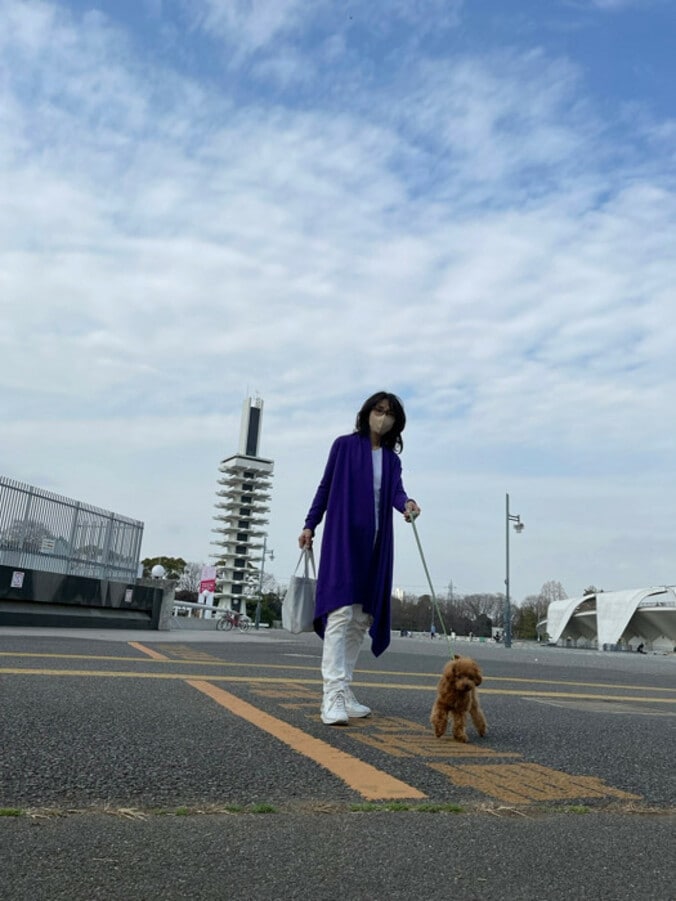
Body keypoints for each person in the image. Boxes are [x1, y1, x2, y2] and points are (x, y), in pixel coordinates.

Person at [298, 391, 421, 726]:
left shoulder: (392, 460)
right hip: (344, 538)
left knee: (360, 619)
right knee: (340, 613)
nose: (383, 417)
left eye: (389, 413)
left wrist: (407, 504)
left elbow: (395, 491)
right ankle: (331, 694)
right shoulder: (344, 446)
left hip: (378, 545)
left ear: (397, 422)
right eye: (378, 410)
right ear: (367, 413)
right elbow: (325, 487)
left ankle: (345, 688)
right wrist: (311, 523)